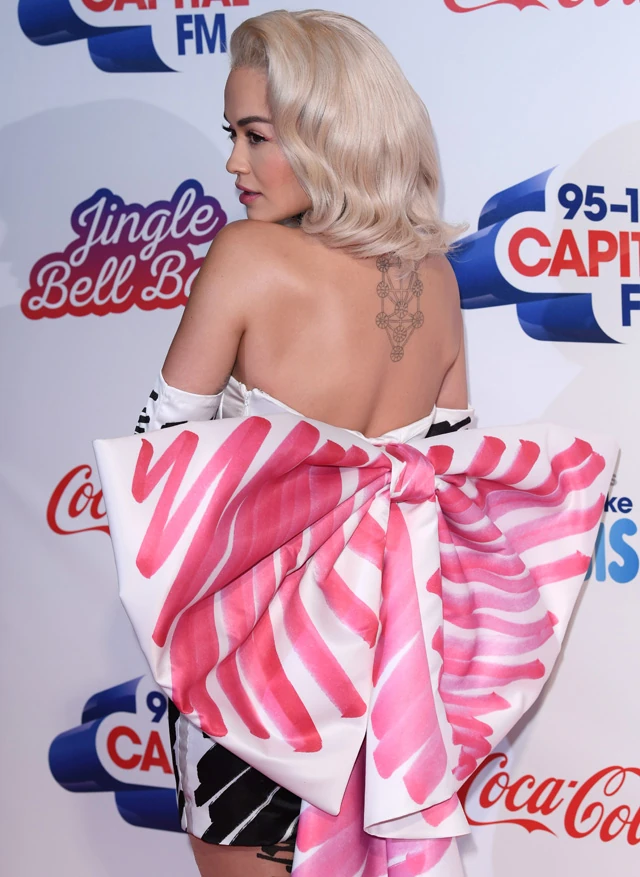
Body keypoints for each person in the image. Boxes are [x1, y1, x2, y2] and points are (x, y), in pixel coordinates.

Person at [96, 9, 616, 877]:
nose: (233, 163)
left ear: (329, 132)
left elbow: (160, 464)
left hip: (258, 680)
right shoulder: (437, 279)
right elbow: (447, 482)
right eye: (232, 136)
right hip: (389, 679)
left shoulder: (246, 258)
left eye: (255, 136)